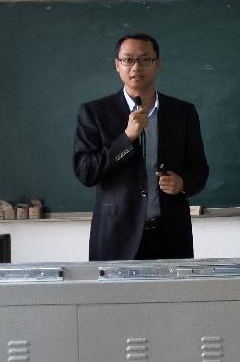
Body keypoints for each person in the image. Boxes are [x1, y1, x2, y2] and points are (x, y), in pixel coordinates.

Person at [73, 34, 209, 261]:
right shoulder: (94, 113)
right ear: (117, 65)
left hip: (170, 235)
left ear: (158, 63)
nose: (136, 67)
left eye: (145, 59)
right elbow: (86, 172)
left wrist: (183, 183)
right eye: (128, 60)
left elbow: (200, 169)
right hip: (116, 236)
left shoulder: (183, 112)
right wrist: (127, 138)